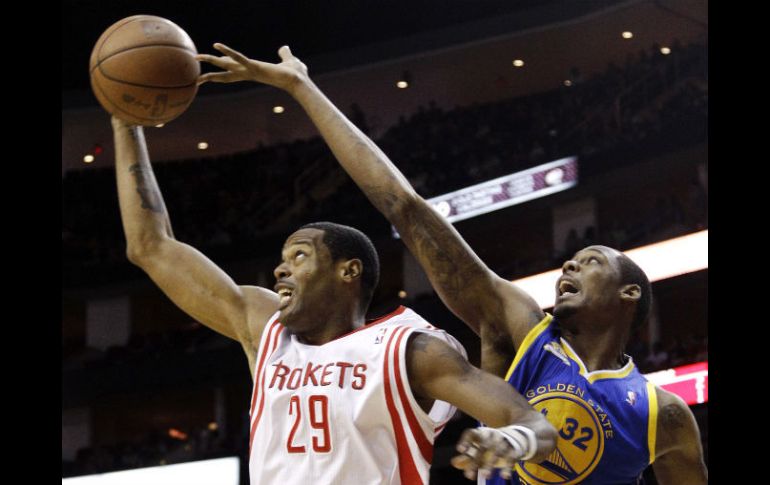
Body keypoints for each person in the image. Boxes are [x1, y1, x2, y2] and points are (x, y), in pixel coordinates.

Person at [196, 43, 708, 484]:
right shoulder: (520, 327)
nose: (568, 269)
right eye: (569, 261)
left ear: (630, 293)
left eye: (590, 261)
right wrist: (304, 89)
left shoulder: (664, 413)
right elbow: (406, 207)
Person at [109, 113, 556, 484]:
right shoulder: (266, 331)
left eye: (299, 256)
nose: (281, 269)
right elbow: (150, 247)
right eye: (282, 259)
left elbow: (534, 423)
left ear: (349, 271)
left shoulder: (409, 350)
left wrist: (509, 442)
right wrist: (125, 123)